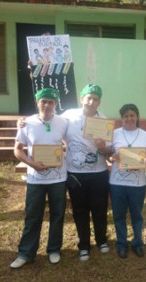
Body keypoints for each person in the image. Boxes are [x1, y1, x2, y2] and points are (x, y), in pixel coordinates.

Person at [10, 88, 68, 269]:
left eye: (51, 102)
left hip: (58, 178)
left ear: (56, 104)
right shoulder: (26, 123)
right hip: (36, 178)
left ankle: (54, 249)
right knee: (33, 216)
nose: (47, 105)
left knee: (58, 215)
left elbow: (71, 141)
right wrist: (32, 164)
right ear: (37, 102)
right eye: (44, 101)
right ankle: (26, 253)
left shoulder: (63, 122)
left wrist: (63, 151)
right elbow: (18, 149)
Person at [61, 84, 111, 261]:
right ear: (82, 99)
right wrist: (25, 122)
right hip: (75, 173)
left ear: (99, 102)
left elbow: (109, 153)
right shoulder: (68, 115)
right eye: (88, 97)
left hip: (99, 173)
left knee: (99, 209)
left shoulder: (104, 121)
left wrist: (103, 147)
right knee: (80, 210)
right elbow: (49, 123)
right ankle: (84, 245)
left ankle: (101, 240)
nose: (91, 101)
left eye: (95, 98)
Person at [109, 104, 146, 258]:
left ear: (137, 117)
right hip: (117, 182)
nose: (129, 118)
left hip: (137, 183)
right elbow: (108, 153)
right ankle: (121, 244)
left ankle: (138, 243)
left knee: (137, 215)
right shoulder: (114, 134)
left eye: (132, 115)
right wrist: (112, 156)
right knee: (119, 215)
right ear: (122, 118)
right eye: (126, 116)